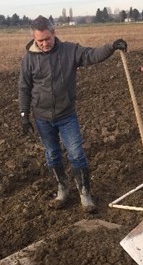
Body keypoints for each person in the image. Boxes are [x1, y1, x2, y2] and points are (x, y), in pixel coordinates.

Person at [19, 15, 127, 212]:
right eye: (39, 41)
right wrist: (24, 114)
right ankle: (63, 189)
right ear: (34, 39)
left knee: (76, 154)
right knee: (52, 155)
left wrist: (111, 46)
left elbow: (91, 55)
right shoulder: (29, 59)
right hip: (42, 117)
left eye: (47, 39)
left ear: (54, 33)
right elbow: (24, 87)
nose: (44, 44)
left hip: (66, 115)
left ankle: (85, 193)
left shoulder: (69, 51)